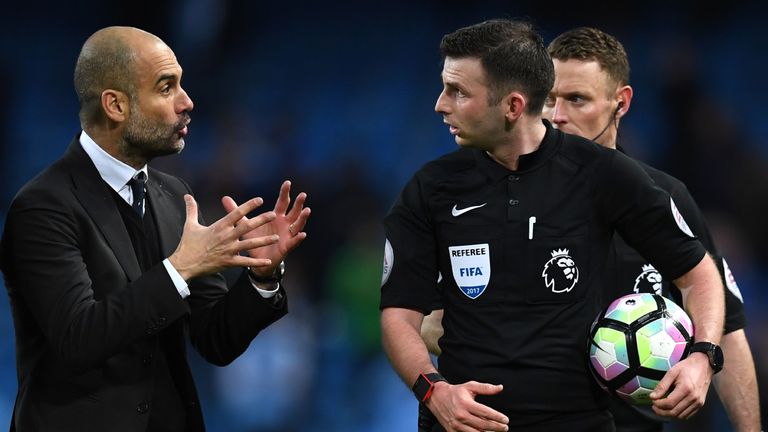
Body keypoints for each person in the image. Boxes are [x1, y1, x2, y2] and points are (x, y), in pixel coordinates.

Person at [379, 19, 724, 432]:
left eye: (458, 91)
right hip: (462, 425)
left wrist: (703, 357)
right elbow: (398, 317)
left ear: (512, 106)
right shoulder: (430, 188)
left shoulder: (604, 174)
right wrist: (434, 390)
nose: (440, 104)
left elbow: (698, 273)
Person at [0, 26, 310, 431]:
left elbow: (214, 341)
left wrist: (261, 279)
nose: (187, 102)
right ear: (115, 105)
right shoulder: (42, 206)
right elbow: (79, 338)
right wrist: (179, 270)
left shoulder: (173, 196)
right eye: (167, 88)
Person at [543, 27, 761, 432]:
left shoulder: (665, 197)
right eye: (549, 99)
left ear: (620, 103)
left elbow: (727, 329)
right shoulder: (501, 199)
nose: (557, 115)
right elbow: (437, 325)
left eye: (576, 99)